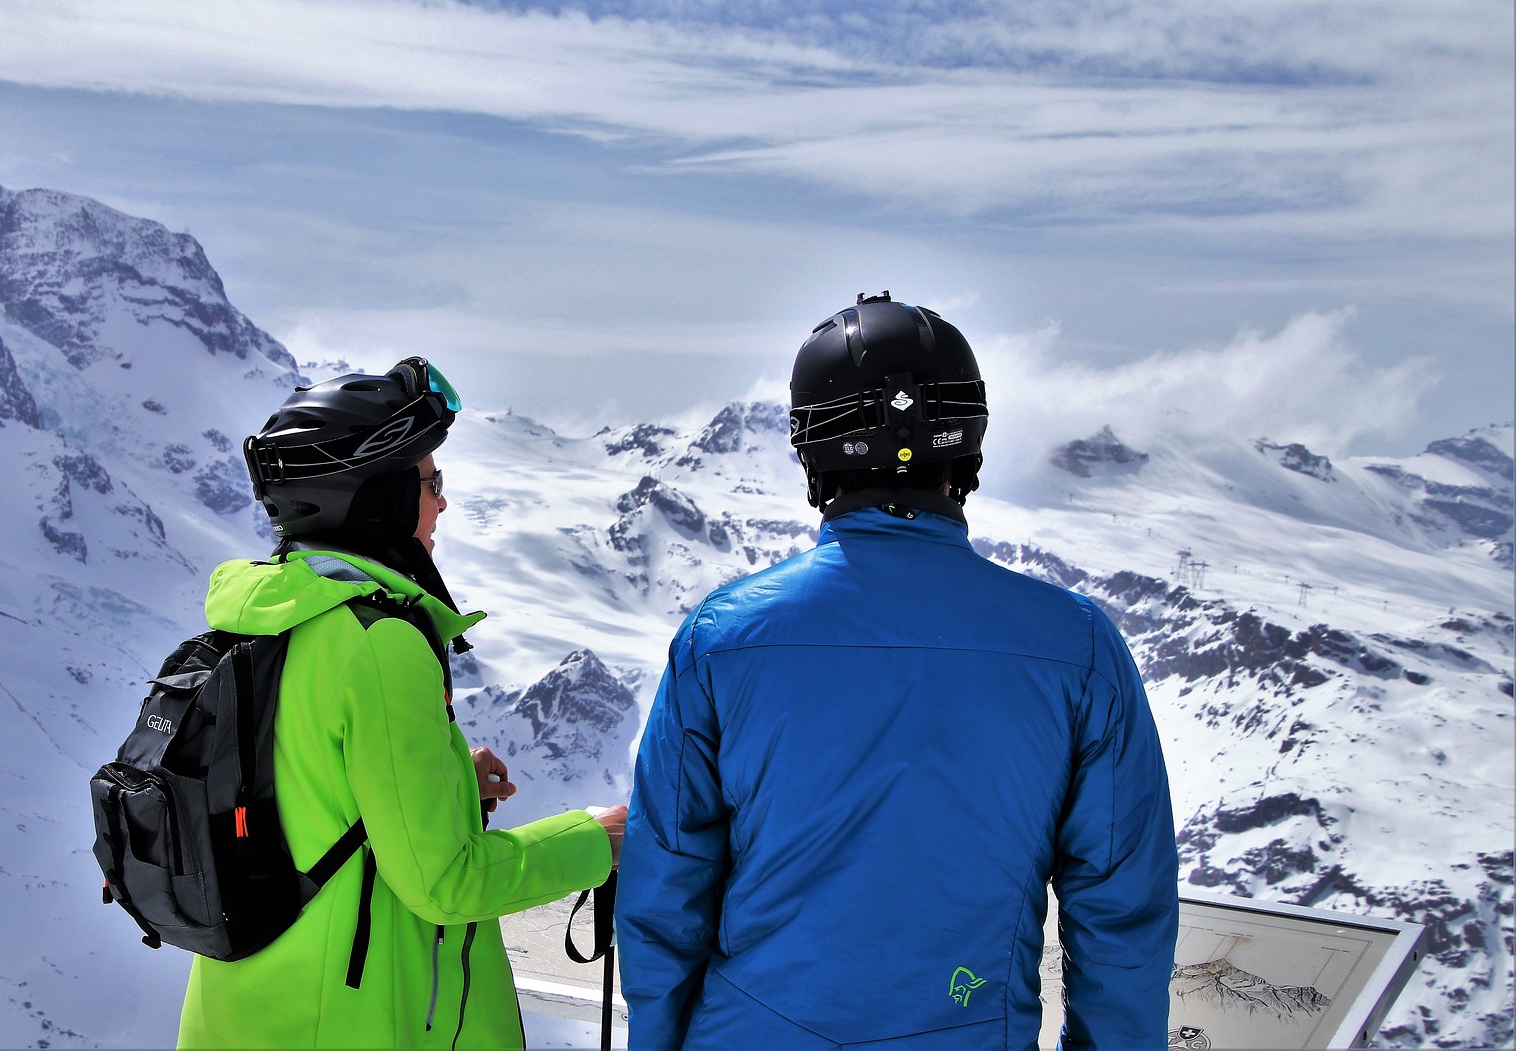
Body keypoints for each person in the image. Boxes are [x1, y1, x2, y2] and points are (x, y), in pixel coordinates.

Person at [616, 293, 1177, 1050]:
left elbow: (666, 892)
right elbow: (1123, 910)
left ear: (814, 449)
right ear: (967, 445)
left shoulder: (721, 638)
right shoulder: (1078, 646)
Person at [177, 356, 626, 1049]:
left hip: (242, 1016)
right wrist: (597, 839)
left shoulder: (266, 615)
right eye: (430, 482)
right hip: (351, 1027)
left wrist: (445, 780)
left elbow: (300, 793)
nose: (442, 504)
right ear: (377, 497)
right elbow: (446, 884)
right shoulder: (379, 643)